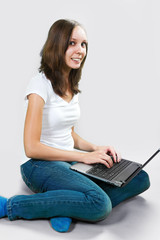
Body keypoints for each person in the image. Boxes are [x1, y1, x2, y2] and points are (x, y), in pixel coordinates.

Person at [0, 19, 150, 233]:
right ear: (57, 44)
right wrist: (83, 157)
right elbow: (31, 148)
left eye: (84, 44)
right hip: (38, 164)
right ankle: (10, 205)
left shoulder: (71, 84)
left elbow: (69, 134)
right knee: (100, 205)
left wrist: (95, 148)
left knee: (139, 178)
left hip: (68, 159)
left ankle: (65, 205)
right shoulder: (39, 85)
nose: (80, 50)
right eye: (72, 43)